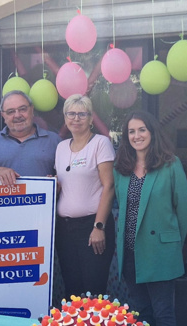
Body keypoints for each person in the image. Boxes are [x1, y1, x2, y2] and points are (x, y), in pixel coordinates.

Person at [114, 111, 187, 326]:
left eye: (141, 130)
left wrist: (172, 242)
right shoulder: (122, 168)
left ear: (152, 132)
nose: (136, 136)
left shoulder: (170, 164)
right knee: (141, 313)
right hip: (130, 253)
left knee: (163, 313)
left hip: (160, 251)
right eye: (131, 131)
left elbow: (184, 209)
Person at [54, 94, 116, 297]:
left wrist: (99, 226)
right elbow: (66, 184)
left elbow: (109, 186)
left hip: (92, 227)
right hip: (65, 229)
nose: (76, 118)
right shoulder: (61, 147)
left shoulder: (100, 143)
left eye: (82, 114)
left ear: (91, 119)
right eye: (71, 113)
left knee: (93, 291)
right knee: (72, 290)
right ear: (65, 118)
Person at [0, 90, 61, 185]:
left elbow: (65, 178)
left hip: (42, 199)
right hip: (2, 200)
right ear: (3, 116)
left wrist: (56, 185)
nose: (17, 115)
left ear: (32, 110)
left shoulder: (54, 141)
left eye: (22, 109)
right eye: (10, 112)